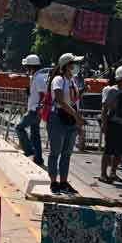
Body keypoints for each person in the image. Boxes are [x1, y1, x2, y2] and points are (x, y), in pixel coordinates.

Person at [46, 53, 85, 194]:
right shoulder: (58, 79)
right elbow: (60, 101)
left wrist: (83, 92)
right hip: (58, 118)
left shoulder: (72, 81)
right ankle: (53, 182)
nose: (76, 66)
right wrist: (76, 116)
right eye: (73, 63)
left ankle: (63, 182)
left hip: (70, 119)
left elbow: (72, 101)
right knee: (55, 152)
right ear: (66, 66)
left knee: (67, 153)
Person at [14, 54, 47, 168]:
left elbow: (43, 94)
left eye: (27, 66)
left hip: (34, 110)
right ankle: (38, 158)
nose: (26, 69)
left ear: (31, 66)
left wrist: (39, 107)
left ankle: (29, 151)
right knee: (35, 135)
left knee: (19, 128)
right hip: (34, 109)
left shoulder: (38, 78)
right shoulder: (35, 77)